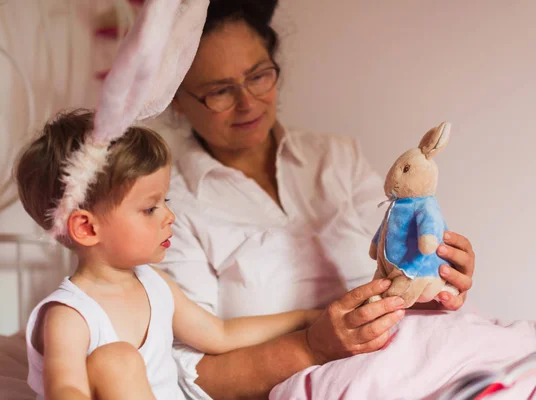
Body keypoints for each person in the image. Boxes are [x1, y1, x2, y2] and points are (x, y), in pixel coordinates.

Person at [157, 1, 476, 399]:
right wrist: (310, 347)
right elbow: (186, 376)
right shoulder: (166, 207)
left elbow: (397, 266)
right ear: (174, 98)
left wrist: (439, 283)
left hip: (409, 368)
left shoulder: (336, 158)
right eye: (219, 91)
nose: (248, 102)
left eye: (258, 76)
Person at [14, 109, 322, 400]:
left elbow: (220, 334)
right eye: (150, 208)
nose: (170, 216)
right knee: (116, 360)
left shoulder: (154, 283)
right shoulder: (68, 316)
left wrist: (304, 318)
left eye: (166, 200)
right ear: (86, 227)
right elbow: (65, 390)